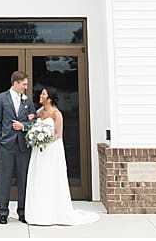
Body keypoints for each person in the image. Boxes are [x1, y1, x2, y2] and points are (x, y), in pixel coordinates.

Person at [22, 88, 101, 226]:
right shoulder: (39, 112)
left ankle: (55, 213)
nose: (41, 95)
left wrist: (43, 139)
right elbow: (32, 123)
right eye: (41, 93)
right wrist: (33, 134)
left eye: (44, 94)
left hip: (52, 150)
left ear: (50, 98)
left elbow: (58, 134)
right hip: (39, 151)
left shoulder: (57, 114)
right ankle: (39, 212)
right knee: (39, 178)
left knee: (51, 178)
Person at [0, 70, 36, 225]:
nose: (26, 87)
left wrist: (23, 126)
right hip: (6, 146)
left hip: (23, 146)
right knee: (4, 180)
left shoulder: (27, 101)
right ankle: (3, 212)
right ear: (16, 83)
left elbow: (34, 121)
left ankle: (22, 212)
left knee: (23, 179)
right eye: (24, 84)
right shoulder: (0, 98)